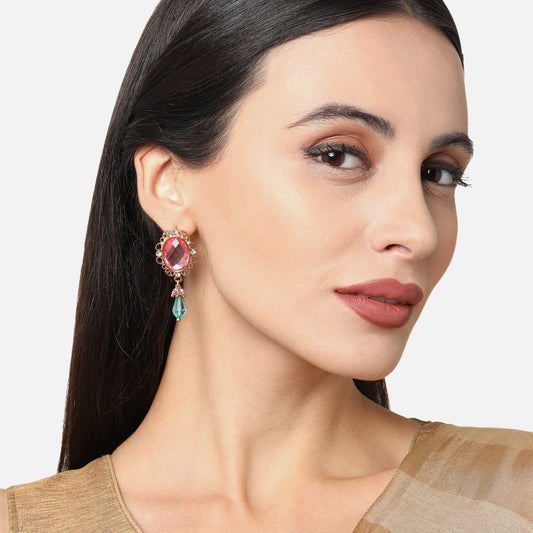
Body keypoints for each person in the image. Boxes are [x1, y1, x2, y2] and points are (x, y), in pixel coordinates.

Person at [1, 0, 532, 531]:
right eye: (338, 155)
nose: (419, 233)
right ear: (167, 184)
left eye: (438, 173)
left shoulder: (513, 499)